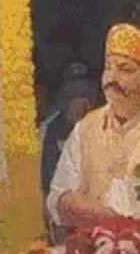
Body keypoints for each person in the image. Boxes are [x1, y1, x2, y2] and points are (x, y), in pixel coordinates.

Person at [47, 23, 140, 230]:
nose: (111, 78)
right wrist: (74, 206)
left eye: (125, 70)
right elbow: (59, 197)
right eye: (108, 67)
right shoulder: (86, 127)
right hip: (90, 245)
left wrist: (119, 225)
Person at [40, 75, 97, 233]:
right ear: (67, 103)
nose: (84, 107)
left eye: (87, 100)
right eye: (78, 100)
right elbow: (44, 171)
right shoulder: (50, 129)